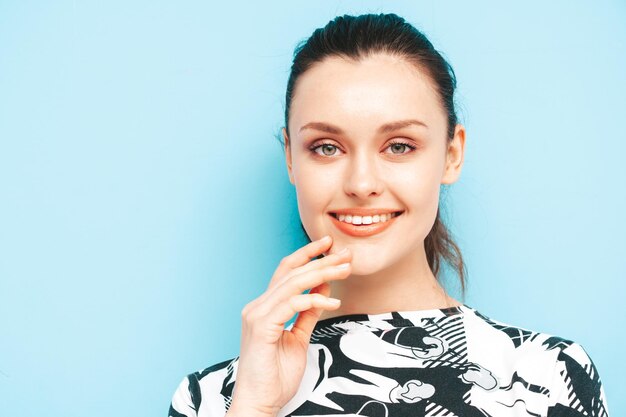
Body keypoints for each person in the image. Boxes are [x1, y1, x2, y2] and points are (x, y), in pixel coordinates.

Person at [168, 12, 609, 417]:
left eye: (399, 146)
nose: (362, 183)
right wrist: (254, 407)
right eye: (326, 147)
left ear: (451, 155)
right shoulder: (211, 398)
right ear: (290, 158)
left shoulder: (549, 376)